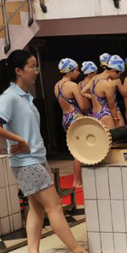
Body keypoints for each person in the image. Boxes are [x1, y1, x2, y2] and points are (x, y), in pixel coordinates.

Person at [0, 50, 89, 253]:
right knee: (55, 206)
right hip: (26, 162)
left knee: (37, 208)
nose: (36, 71)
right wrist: (18, 140)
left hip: (36, 158)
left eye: (36, 66)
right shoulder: (10, 97)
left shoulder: (25, 96)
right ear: (18, 70)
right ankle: (77, 251)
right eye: (32, 67)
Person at [53, 58, 91, 187]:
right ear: (69, 71)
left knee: (76, 149)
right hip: (75, 117)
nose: (78, 72)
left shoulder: (57, 85)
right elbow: (83, 106)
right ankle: (77, 181)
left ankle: (77, 179)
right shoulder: (72, 86)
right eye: (76, 70)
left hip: (65, 118)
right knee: (80, 151)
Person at [89, 54, 124, 129]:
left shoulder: (94, 78)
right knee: (114, 136)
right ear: (114, 71)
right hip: (105, 116)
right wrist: (116, 122)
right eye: (120, 74)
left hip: (94, 115)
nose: (118, 77)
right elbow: (112, 107)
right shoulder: (107, 85)